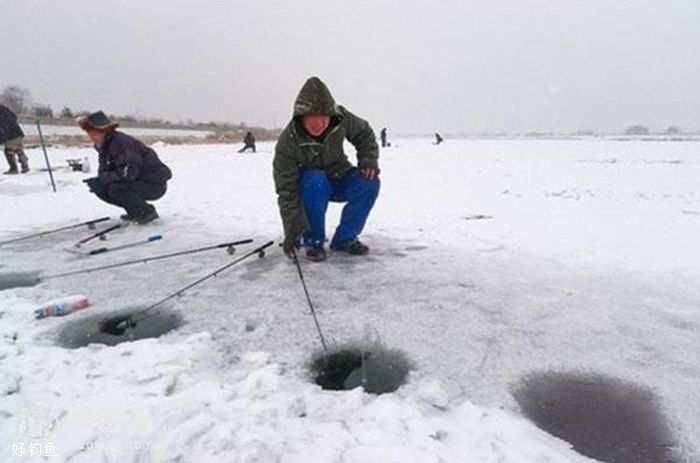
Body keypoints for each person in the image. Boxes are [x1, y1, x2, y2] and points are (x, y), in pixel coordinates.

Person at [274, 76, 380, 262]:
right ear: (301, 117)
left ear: (330, 115)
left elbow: (364, 133)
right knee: (315, 179)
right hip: (311, 187)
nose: (318, 123)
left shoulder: (341, 118)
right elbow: (287, 191)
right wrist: (291, 230)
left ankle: (345, 240)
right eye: (312, 117)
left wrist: (368, 160)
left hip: (340, 177)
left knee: (368, 183)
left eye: (323, 117)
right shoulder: (288, 142)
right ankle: (313, 241)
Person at [78, 111, 172, 225]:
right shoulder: (104, 146)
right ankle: (134, 211)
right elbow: (104, 171)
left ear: (104, 131)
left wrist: (104, 179)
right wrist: (100, 181)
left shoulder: (122, 143)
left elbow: (128, 174)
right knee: (102, 188)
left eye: (94, 134)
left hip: (154, 184)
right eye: (90, 134)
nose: (92, 138)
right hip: (136, 182)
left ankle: (146, 212)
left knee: (116, 188)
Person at [0, 104, 29, 174]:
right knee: (18, 149)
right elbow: (15, 117)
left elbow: (1, 128)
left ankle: (14, 169)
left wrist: (1, 140)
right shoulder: (4, 109)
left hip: (10, 134)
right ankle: (25, 165)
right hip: (17, 131)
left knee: (8, 150)